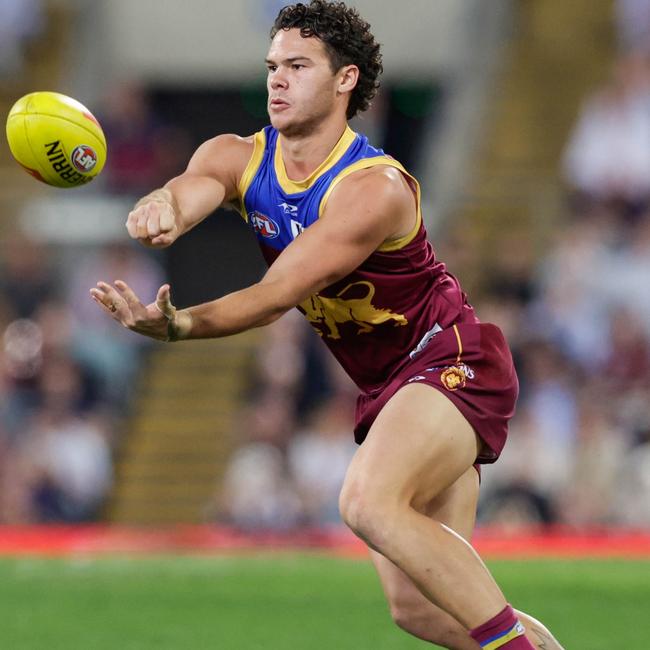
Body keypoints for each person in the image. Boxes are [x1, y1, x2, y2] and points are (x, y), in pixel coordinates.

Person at [90, 2, 563, 648]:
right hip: (393, 390)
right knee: (422, 610)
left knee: (366, 501)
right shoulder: (239, 155)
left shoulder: (374, 188)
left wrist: (178, 326)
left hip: (451, 361)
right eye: (272, 67)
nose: (276, 80)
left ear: (345, 80)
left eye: (298, 66)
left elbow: (278, 292)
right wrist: (162, 206)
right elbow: (194, 185)